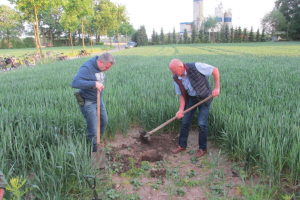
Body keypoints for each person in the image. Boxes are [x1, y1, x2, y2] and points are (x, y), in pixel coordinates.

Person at [169, 59, 220, 158]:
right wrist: (181, 110)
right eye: (172, 71)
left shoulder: (196, 67)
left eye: (174, 71)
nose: (173, 73)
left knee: (201, 123)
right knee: (185, 121)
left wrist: (217, 88)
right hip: (192, 98)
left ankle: (202, 148)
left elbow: (215, 70)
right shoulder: (176, 78)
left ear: (180, 67)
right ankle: (182, 145)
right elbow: (182, 95)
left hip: (205, 97)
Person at [71, 52, 115, 158]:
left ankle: (96, 142)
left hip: (99, 100)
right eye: (106, 67)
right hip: (88, 102)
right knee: (93, 129)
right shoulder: (87, 68)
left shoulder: (100, 66)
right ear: (100, 62)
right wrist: (94, 84)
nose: (107, 70)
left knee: (104, 122)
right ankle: (93, 153)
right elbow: (75, 83)